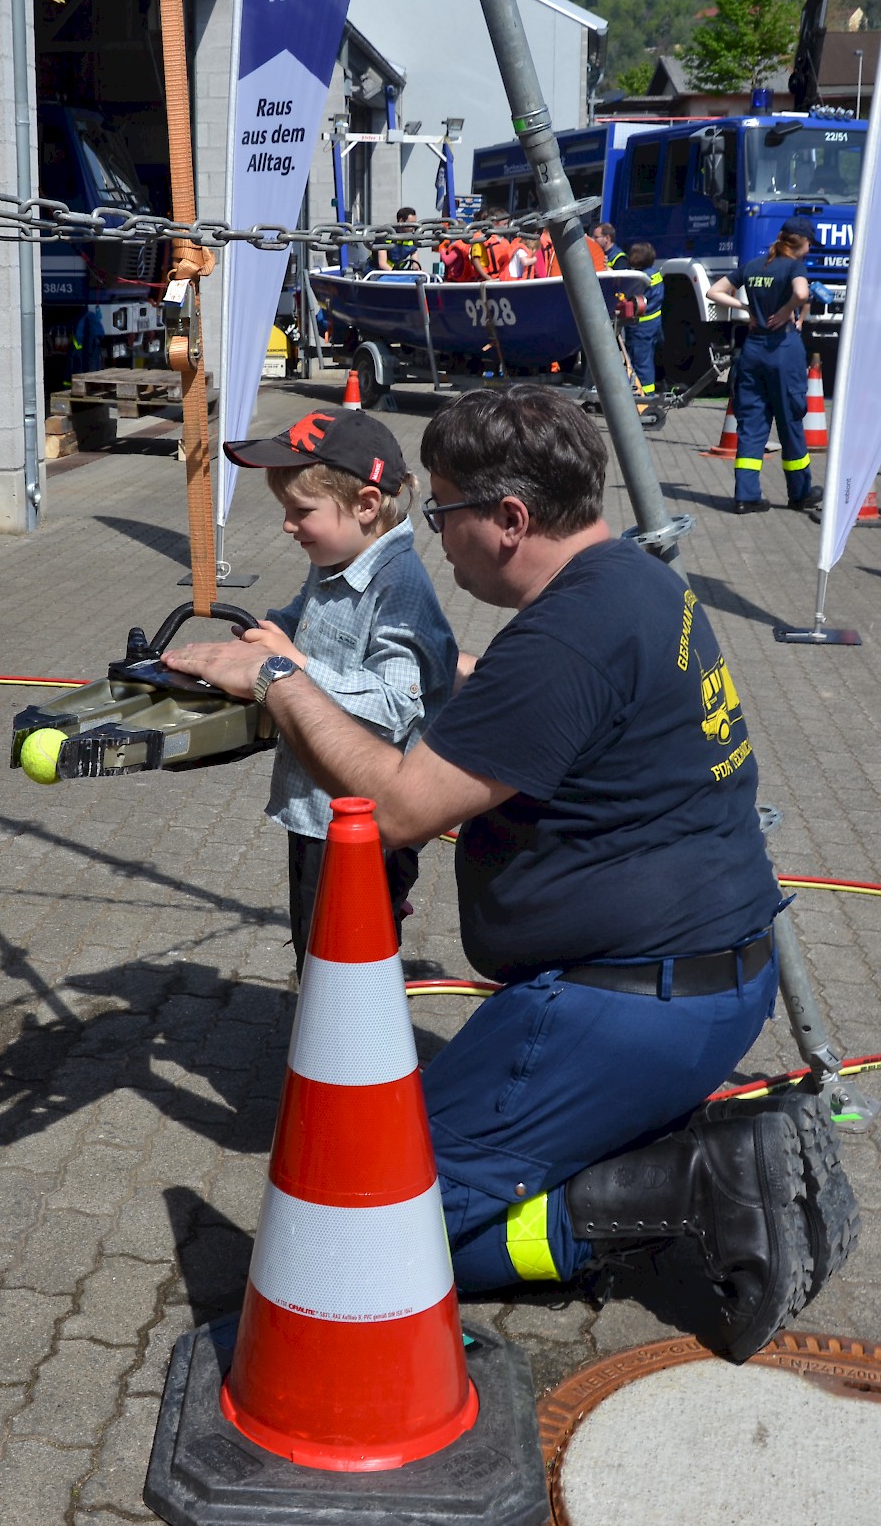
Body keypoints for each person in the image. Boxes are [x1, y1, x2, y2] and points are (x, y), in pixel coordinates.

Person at [163, 385, 851, 1363]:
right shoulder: (636, 585)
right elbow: (562, 697)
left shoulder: (566, 640)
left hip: (615, 1012)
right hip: (713, 989)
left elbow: (398, 805)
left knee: (360, 1234)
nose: (438, 537)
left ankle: (691, 1189)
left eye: (443, 513)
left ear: (511, 519)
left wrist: (277, 682)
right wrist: (466, 676)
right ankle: (660, 1156)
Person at [222, 407, 457, 971]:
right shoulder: (334, 559)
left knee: (347, 962)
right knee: (315, 946)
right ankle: (325, 1044)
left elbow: (397, 704)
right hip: (316, 811)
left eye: (300, 511)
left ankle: (352, 1054)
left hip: (360, 826)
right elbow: (306, 617)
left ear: (366, 506)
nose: (286, 525)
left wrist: (294, 665)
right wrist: (260, 637)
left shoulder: (398, 590)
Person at [706, 220, 821, 516]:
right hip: (783, 351)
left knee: (752, 426)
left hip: (753, 351)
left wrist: (745, 310)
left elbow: (714, 292)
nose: (809, 250)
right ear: (800, 243)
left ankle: (746, 496)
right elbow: (802, 293)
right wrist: (786, 311)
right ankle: (800, 493)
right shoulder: (794, 266)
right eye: (809, 244)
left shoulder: (755, 265)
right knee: (790, 422)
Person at [623, 242, 664, 396]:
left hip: (641, 326)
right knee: (644, 361)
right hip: (652, 325)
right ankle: (642, 394)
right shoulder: (654, 273)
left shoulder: (642, 278)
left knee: (641, 363)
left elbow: (631, 299)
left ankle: (646, 397)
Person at [374, 206, 423, 272]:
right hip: (378, 271)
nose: (413, 227)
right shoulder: (385, 234)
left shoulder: (411, 236)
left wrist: (418, 271)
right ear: (401, 221)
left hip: (398, 271)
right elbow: (382, 264)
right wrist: (397, 274)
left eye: (415, 223)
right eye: (411, 223)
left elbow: (415, 263)